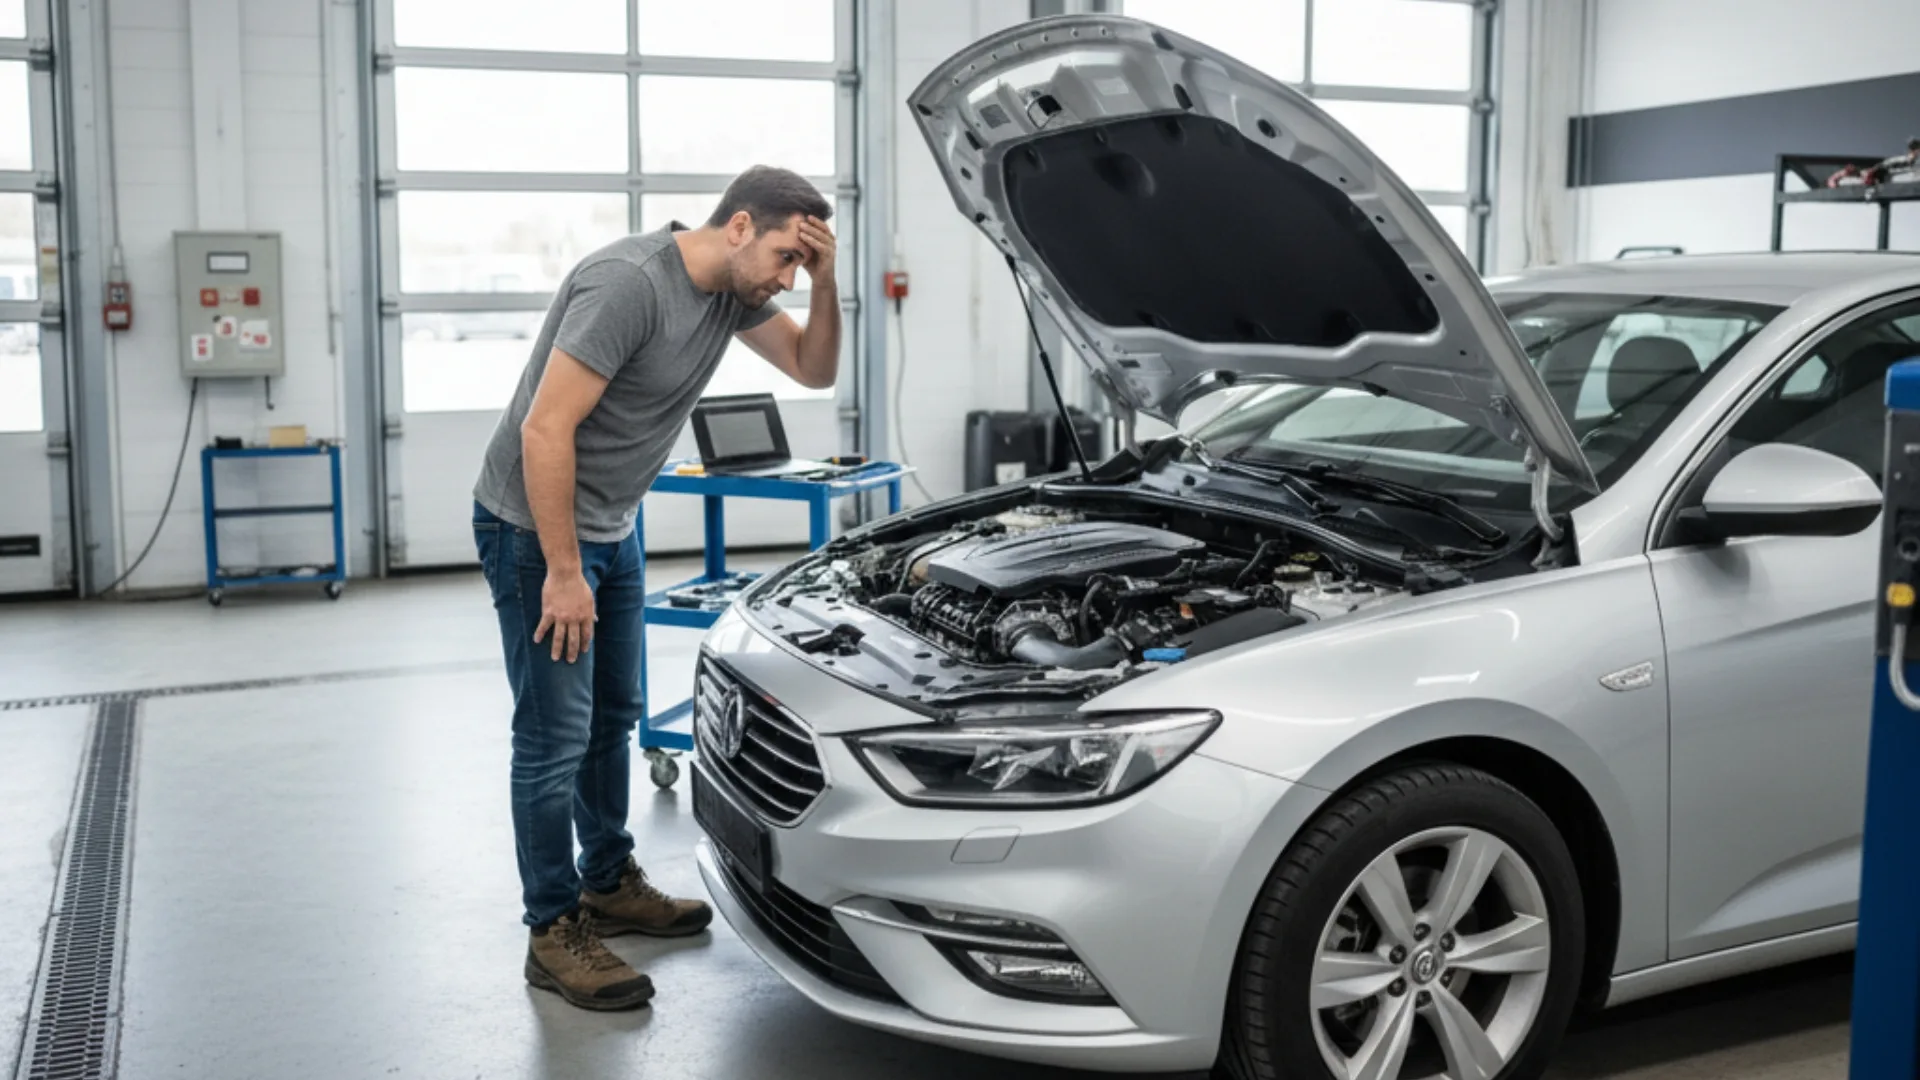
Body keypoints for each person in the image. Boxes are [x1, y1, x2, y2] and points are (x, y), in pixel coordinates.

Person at [470, 165, 838, 1011]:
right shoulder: (630, 285)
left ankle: (607, 879)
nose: (785, 278)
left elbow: (812, 369)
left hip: (612, 525)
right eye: (786, 255)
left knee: (613, 717)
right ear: (739, 226)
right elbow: (545, 426)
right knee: (553, 734)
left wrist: (826, 283)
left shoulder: (732, 293)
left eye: (799, 266)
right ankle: (552, 928)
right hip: (535, 529)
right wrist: (564, 572)